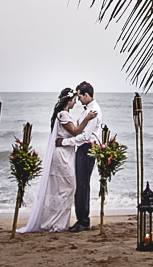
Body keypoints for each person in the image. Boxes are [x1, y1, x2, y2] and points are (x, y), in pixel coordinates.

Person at [17, 87, 96, 233]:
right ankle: (56, 222)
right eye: (74, 99)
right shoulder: (63, 115)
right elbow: (75, 132)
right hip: (62, 155)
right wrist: (87, 119)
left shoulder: (62, 114)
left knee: (62, 188)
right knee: (67, 187)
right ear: (69, 100)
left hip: (66, 153)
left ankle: (58, 221)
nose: (75, 102)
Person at [56, 81, 102, 232]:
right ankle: (81, 219)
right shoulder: (87, 110)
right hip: (83, 148)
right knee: (80, 184)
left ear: (86, 95)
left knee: (82, 185)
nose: (78, 100)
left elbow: (84, 137)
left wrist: (64, 142)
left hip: (88, 148)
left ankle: (83, 221)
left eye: (80, 96)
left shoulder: (93, 111)